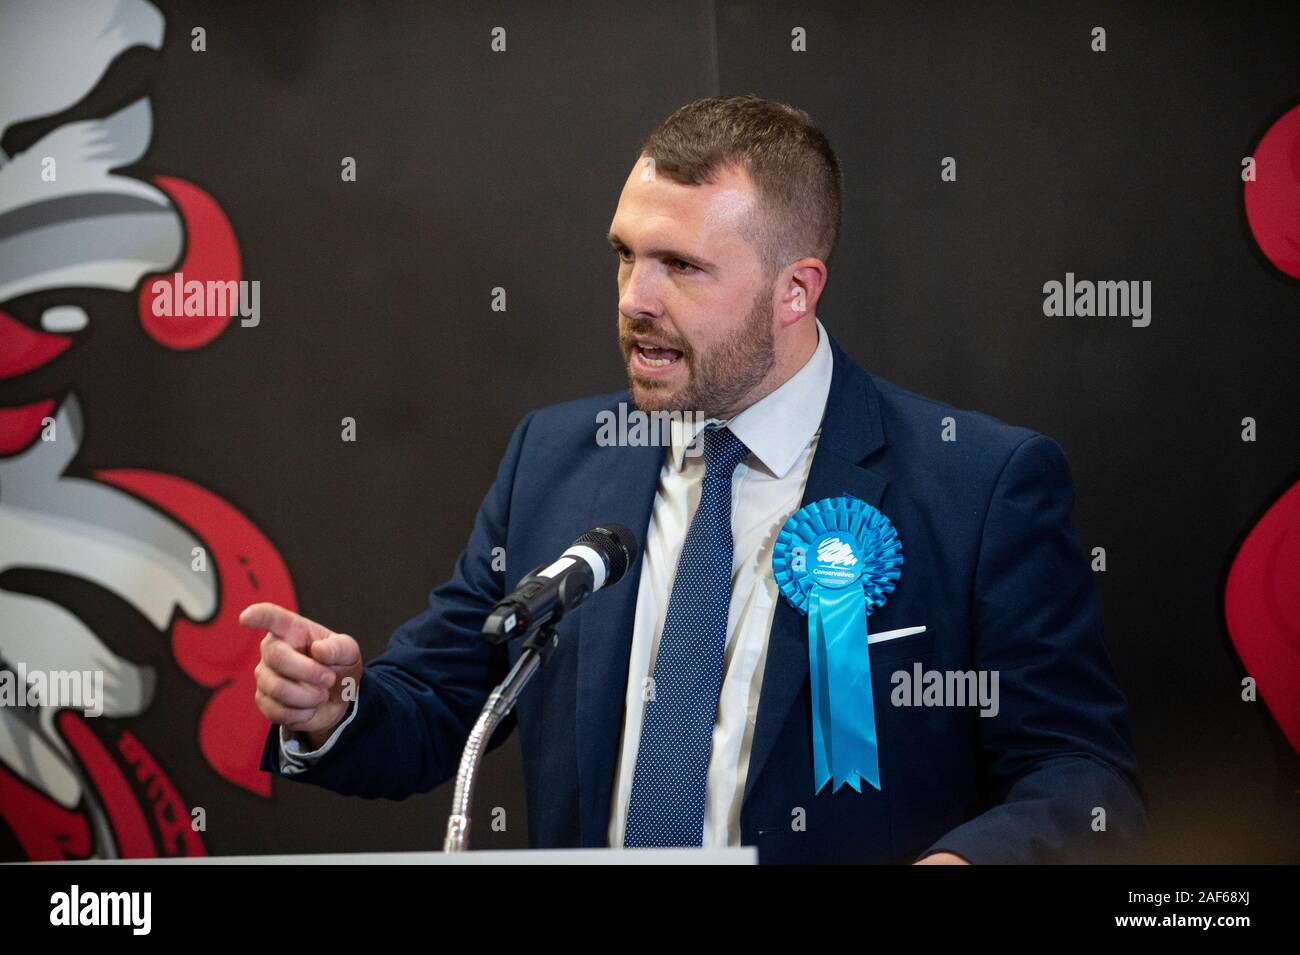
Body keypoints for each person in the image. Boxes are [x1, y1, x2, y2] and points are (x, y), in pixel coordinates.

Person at [242, 95, 1148, 863]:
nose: (636, 297)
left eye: (681, 266)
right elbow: (443, 701)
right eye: (626, 254)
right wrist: (334, 709)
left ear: (796, 290)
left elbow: (1082, 775)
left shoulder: (980, 484)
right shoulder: (554, 458)